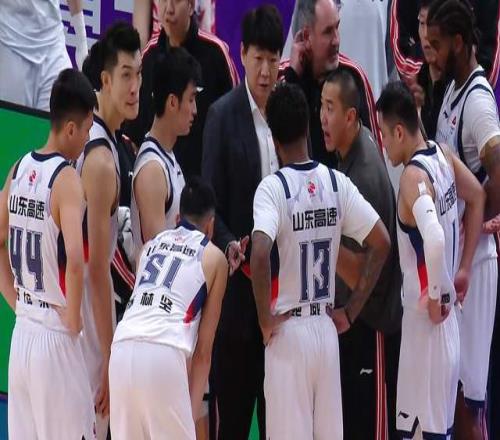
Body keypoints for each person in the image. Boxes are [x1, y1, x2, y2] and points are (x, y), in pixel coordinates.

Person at [250, 81, 390, 440]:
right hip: (326, 331)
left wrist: (264, 320)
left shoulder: (273, 188)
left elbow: (260, 252)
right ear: (307, 127)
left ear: (273, 137)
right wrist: (351, 311)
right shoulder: (336, 181)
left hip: (288, 332)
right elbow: (381, 242)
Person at [376, 80, 485, 440]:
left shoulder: (412, 177)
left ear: (399, 131)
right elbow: (477, 196)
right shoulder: (443, 155)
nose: (383, 144)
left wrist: (436, 295)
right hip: (447, 327)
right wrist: (463, 268)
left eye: (384, 135)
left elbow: (434, 239)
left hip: (427, 327)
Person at [0, 69, 97, 439]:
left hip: (23, 335)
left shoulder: (18, 168)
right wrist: (72, 319)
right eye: (87, 129)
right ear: (70, 129)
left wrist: (16, 302)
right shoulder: (67, 179)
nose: (87, 139)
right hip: (54, 340)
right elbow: (75, 258)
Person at [201, 5, 283, 438]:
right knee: (232, 421)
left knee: (279, 421)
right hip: (235, 300)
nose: (266, 71)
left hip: (282, 297)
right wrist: (232, 243)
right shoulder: (222, 116)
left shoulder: (290, 110)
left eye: (273, 58)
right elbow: (210, 204)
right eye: (258, 59)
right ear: (243, 53)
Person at [427, 1, 500, 438]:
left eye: (436, 46)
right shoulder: (452, 89)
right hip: (459, 262)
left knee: (470, 401)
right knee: (453, 391)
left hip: (476, 264)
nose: (431, 55)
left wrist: (471, 235)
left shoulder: (477, 102)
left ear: (458, 43)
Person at [109, 178, 227, 440]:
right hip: (164, 351)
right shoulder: (214, 257)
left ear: (177, 218)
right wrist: (190, 415)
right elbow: (203, 353)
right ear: (210, 225)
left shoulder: (149, 247)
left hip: (121, 348)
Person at [320, 69, 402, 439]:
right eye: (321, 106)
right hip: (358, 321)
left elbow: (362, 268)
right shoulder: (353, 146)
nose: (323, 118)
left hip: (373, 326)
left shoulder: (363, 175)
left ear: (351, 116)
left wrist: (321, 234)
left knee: (368, 428)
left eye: (330, 108)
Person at [77, 22, 142, 440]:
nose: (134, 87)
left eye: (138, 74)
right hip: (87, 329)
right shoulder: (100, 158)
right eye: (125, 75)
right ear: (105, 80)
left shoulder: (100, 138)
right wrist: (110, 355)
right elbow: (98, 270)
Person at [125, 0, 238, 178]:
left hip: (204, 184)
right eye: (163, 1)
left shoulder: (216, 54)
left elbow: (235, 125)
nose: (169, 9)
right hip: (159, 182)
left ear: (191, 6)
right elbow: (134, 132)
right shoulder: (149, 57)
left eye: (176, 1)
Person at [281, 0, 382, 169]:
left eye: (337, 27)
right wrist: (293, 79)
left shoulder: (354, 77)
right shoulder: (285, 79)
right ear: (306, 36)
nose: (336, 40)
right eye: (328, 32)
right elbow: (279, 147)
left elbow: (373, 159)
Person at [131, 47, 201, 254]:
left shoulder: (167, 155)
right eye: (191, 99)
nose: (195, 110)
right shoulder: (152, 170)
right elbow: (158, 260)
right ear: (172, 102)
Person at [390, 0, 500, 89]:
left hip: (466, 92)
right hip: (423, 95)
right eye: (422, 23)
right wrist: (431, 68)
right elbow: (402, 57)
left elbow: (490, 69)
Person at [0, 0, 88, 110]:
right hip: (11, 48)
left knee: (61, 116)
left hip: (54, 49)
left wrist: (82, 42)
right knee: (14, 120)